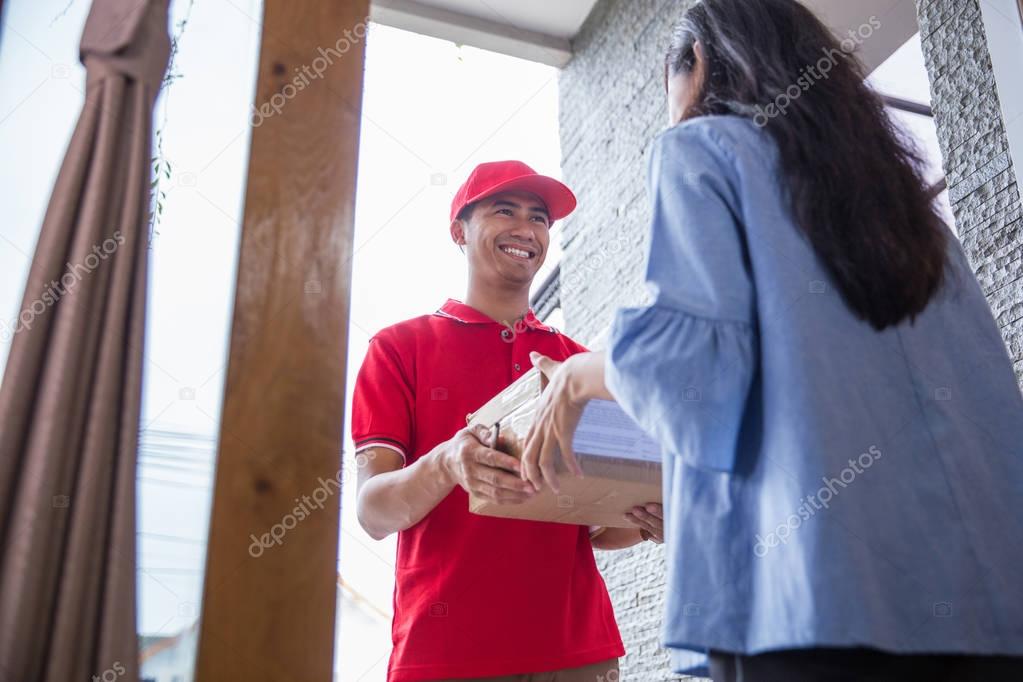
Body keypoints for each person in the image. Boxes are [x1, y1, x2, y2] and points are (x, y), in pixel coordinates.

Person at [521, 1, 1023, 680]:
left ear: (695, 62)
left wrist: (579, 376)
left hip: (816, 595)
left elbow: (691, 370)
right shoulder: (914, 219)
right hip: (988, 597)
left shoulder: (702, 150)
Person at [351, 160, 663, 682]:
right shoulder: (398, 350)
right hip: (447, 653)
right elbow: (373, 513)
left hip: (577, 654)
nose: (526, 229)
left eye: (539, 218)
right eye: (504, 210)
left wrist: (651, 518)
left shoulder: (576, 364)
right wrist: (448, 461)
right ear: (459, 231)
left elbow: (596, 526)